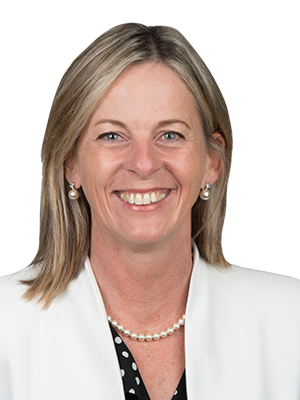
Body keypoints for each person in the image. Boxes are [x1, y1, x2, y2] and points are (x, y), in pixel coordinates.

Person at [0, 22, 300, 400]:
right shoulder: (4, 331)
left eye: (170, 135)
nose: (143, 164)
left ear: (211, 161)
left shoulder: (292, 324)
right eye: (112, 136)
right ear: (70, 163)